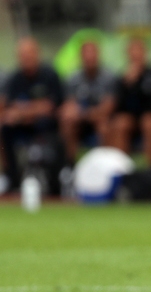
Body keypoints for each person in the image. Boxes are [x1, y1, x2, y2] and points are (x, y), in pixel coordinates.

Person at [0, 37, 63, 191]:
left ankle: (58, 180)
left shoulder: (49, 75)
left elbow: (50, 106)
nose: (26, 58)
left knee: (52, 129)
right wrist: (28, 111)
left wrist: (24, 112)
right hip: (21, 127)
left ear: (37, 54)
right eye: (22, 54)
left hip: (46, 126)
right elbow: (8, 106)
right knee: (5, 128)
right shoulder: (14, 78)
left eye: (29, 53)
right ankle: (11, 177)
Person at [107, 37, 151, 166]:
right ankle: (120, 168)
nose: (136, 55)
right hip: (130, 117)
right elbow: (118, 106)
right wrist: (128, 84)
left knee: (149, 123)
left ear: (145, 53)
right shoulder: (122, 78)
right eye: (132, 51)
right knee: (120, 123)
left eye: (139, 51)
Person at [58, 39, 116, 166]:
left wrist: (85, 113)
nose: (90, 57)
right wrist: (83, 114)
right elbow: (69, 107)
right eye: (86, 53)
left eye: (92, 53)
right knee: (67, 123)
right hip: (80, 122)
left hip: (100, 121)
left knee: (104, 125)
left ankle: (104, 167)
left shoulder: (109, 77)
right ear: (81, 56)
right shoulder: (73, 79)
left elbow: (108, 108)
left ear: (98, 55)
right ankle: (68, 167)